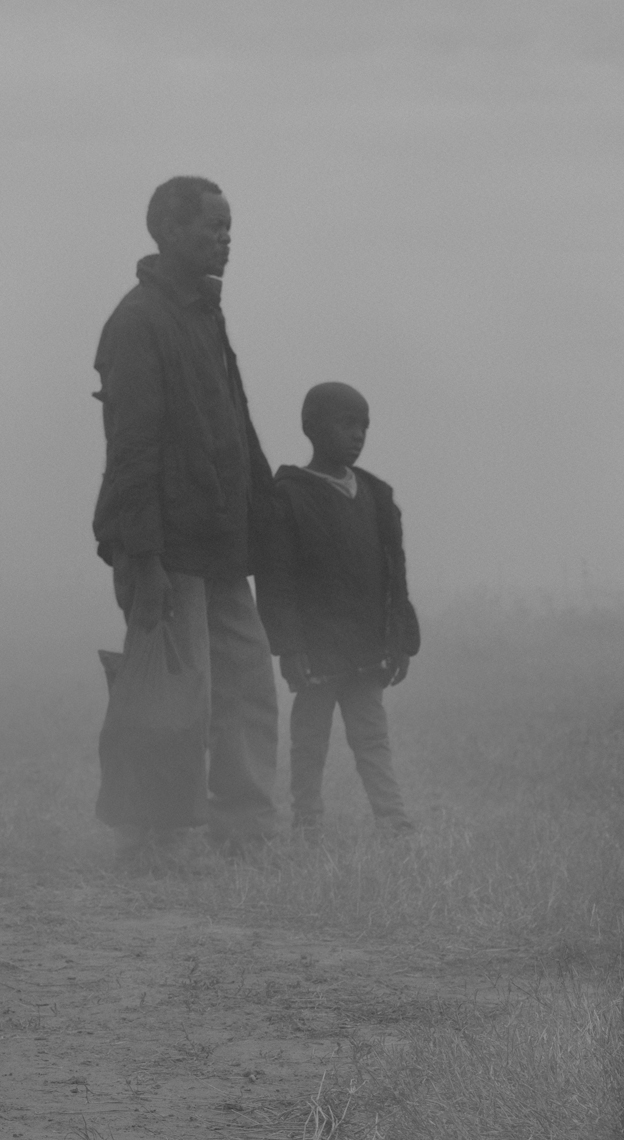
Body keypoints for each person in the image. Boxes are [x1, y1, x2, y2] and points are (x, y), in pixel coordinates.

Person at [91, 174, 280, 871]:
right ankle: (147, 837)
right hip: (164, 547)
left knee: (247, 689)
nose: (226, 240)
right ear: (169, 231)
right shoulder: (138, 321)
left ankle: (247, 832)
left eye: (229, 228)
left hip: (223, 544)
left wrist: (265, 524)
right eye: (213, 228)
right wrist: (140, 559)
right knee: (171, 699)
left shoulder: (204, 311)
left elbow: (234, 427)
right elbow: (132, 451)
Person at [262, 382, 416, 833]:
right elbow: (276, 579)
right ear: (311, 428)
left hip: (368, 648)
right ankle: (307, 822)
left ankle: (394, 821)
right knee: (309, 740)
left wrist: (400, 638)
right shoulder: (286, 495)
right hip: (316, 651)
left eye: (364, 426)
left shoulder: (377, 495)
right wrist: (289, 647)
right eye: (347, 424)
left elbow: (395, 575)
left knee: (372, 737)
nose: (358, 435)